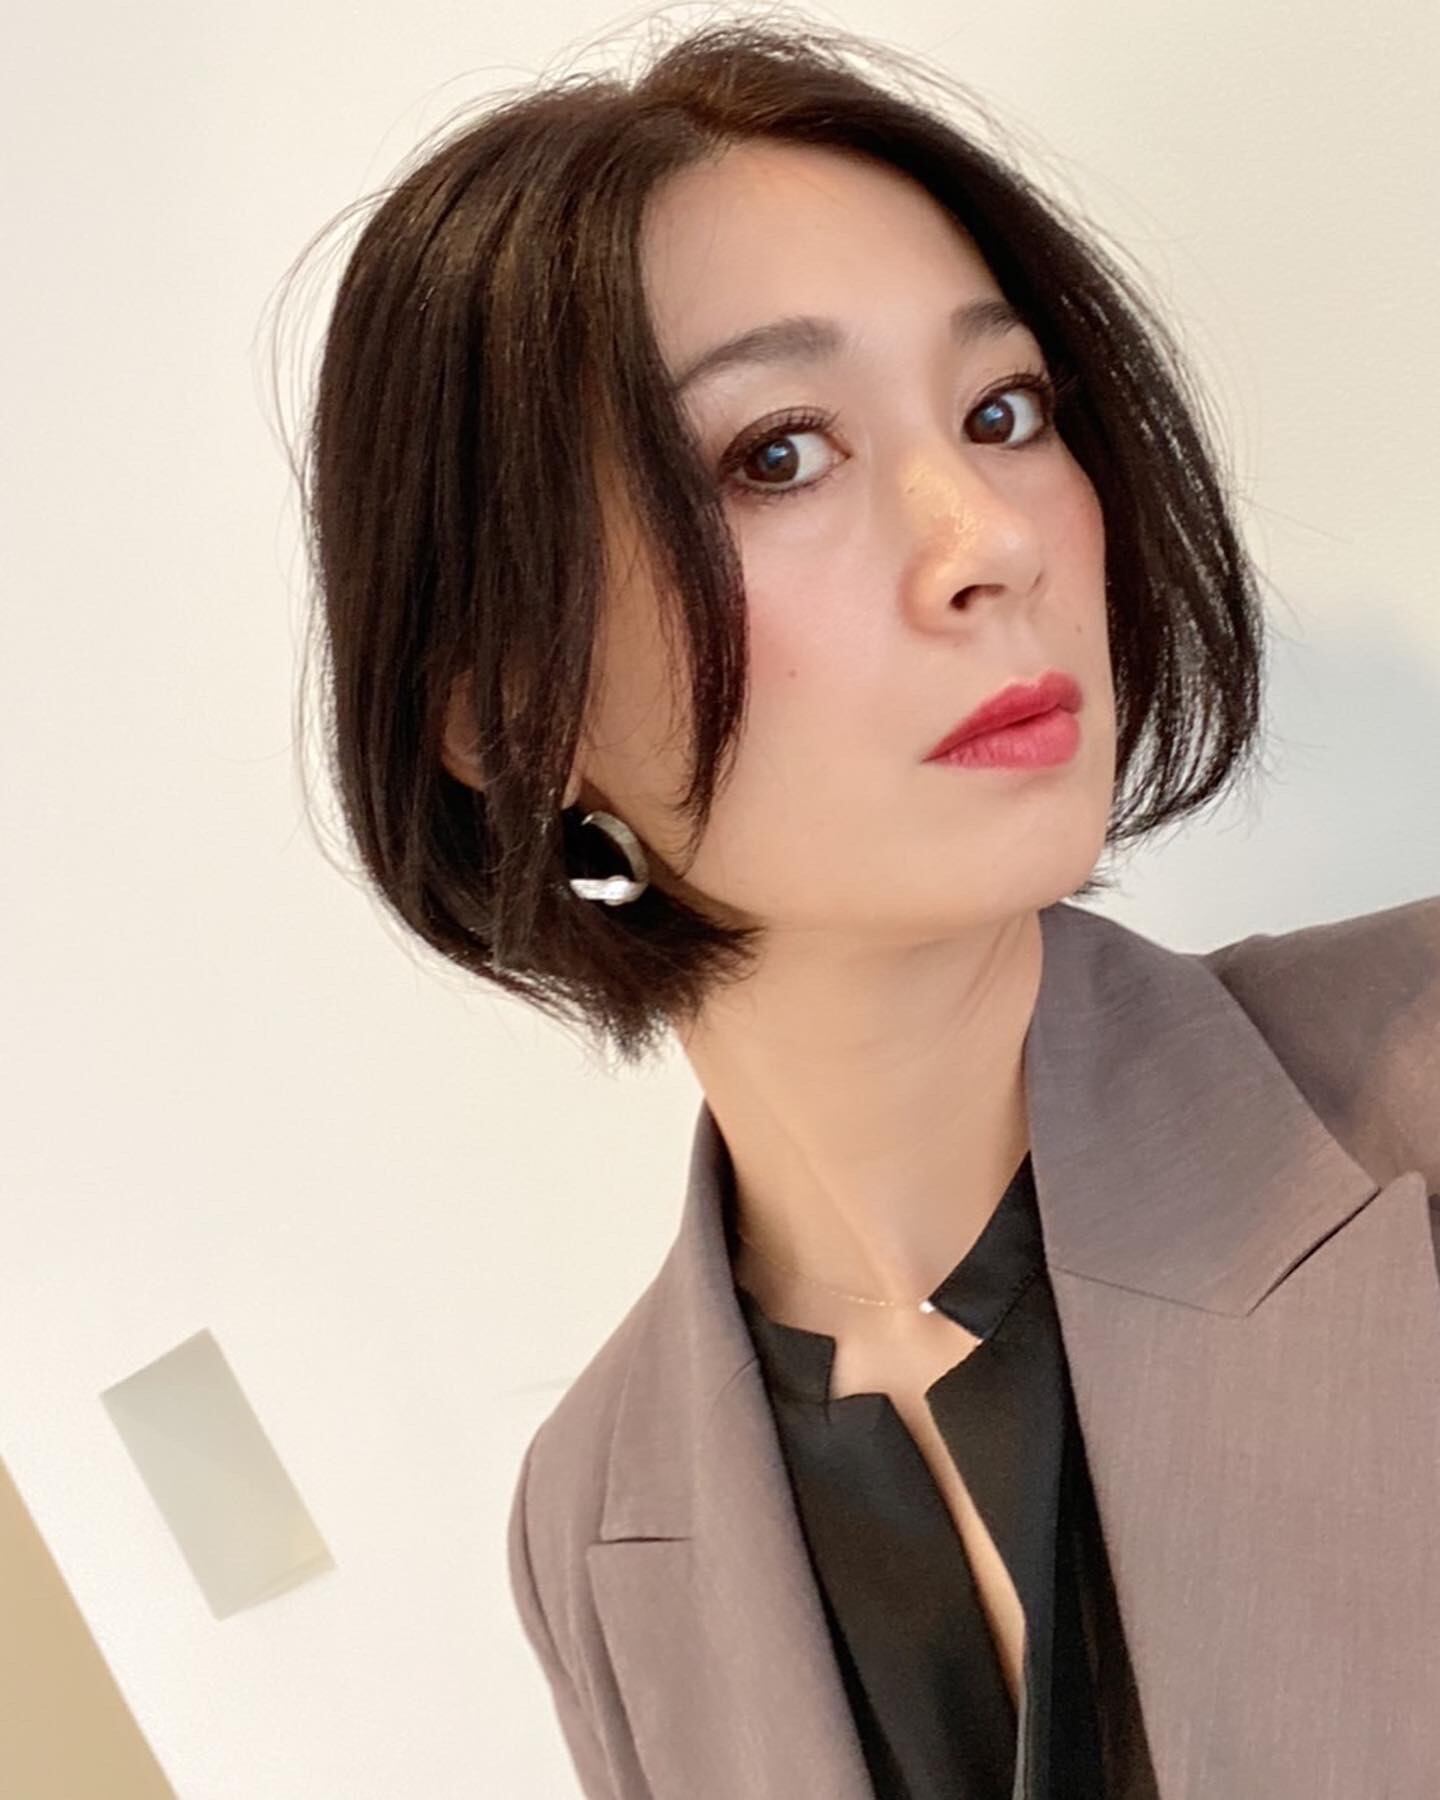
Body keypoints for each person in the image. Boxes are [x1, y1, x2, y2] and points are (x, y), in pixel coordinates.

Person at [280, 14, 1440, 1797]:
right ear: (506, 710)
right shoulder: (595, 1524)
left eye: (1003, 412)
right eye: (778, 456)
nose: (992, 536)